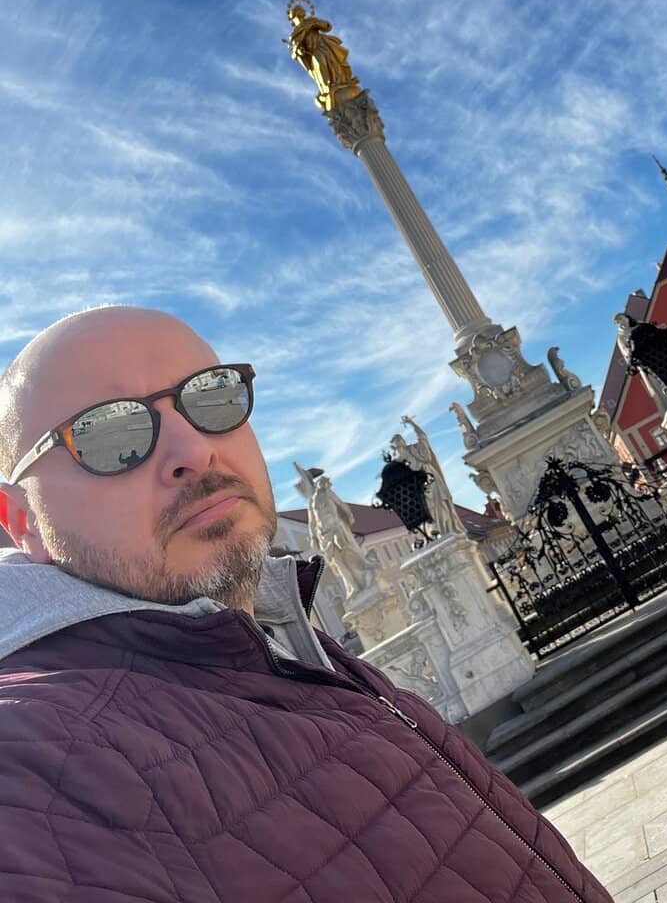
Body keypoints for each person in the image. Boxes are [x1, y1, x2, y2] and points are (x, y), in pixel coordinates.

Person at [0, 306, 611, 903]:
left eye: (211, 397)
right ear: (20, 519)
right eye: (110, 433)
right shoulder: (36, 758)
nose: (194, 450)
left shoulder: (290, 649)